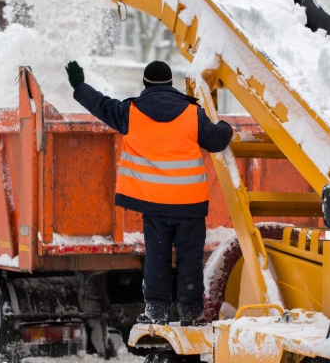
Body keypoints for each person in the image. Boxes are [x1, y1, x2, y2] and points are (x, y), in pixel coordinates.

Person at [65, 60, 233, 326]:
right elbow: (216, 140)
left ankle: (156, 312)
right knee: (190, 259)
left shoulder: (130, 113)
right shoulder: (192, 113)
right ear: (170, 84)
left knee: (157, 259)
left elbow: (100, 104)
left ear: (145, 84)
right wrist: (225, 126)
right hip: (189, 204)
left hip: (155, 206)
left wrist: (79, 85)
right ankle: (191, 313)